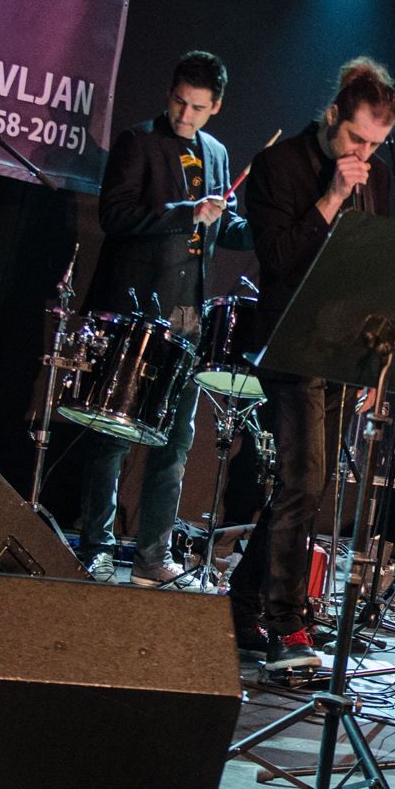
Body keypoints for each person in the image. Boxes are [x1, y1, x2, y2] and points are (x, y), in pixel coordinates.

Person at [232, 59, 395, 671]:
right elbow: (276, 259)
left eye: (375, 144)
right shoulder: (278, 166)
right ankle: (287, 625)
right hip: (288, 341)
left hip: (339, 347)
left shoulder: (376, 178)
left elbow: (372, 265)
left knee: (308, 487)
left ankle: (241, 604)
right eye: (356, 138)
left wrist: (372, 359)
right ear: (332, 116)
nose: (363, 153)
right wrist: (331, 198)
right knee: (302, 482)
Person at [74, 51, 252, 588]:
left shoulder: (216, 152)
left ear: (216, 106)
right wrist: (186, 212)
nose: (184, 114)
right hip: (137, 308)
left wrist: (262, 228)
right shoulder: (139, 141)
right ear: (169, 93)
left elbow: (223, 227)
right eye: (178, 101)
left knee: (176, 440)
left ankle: (153, 556)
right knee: (113, 434)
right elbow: (114, 213)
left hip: (188, 311)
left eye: (197, 107)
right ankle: (97, 547)